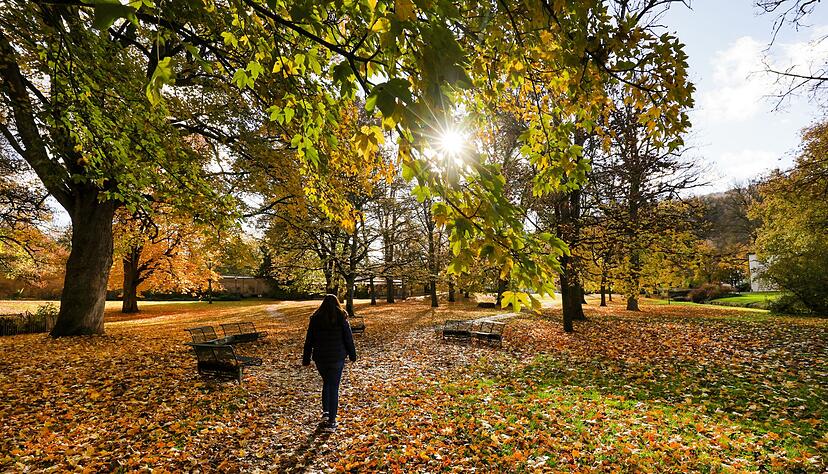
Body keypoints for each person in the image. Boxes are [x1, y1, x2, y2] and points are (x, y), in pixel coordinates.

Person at [302, 294, 357, 432]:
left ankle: (326, 413)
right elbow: (348, 338)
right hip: (337, 357)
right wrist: (352, 355)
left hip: (321, 358)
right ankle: (332, 421)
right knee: (333, 387)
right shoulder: (341, 317)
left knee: (327, 383)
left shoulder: (315, 319)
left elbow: (309, 340)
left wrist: (306, 358)